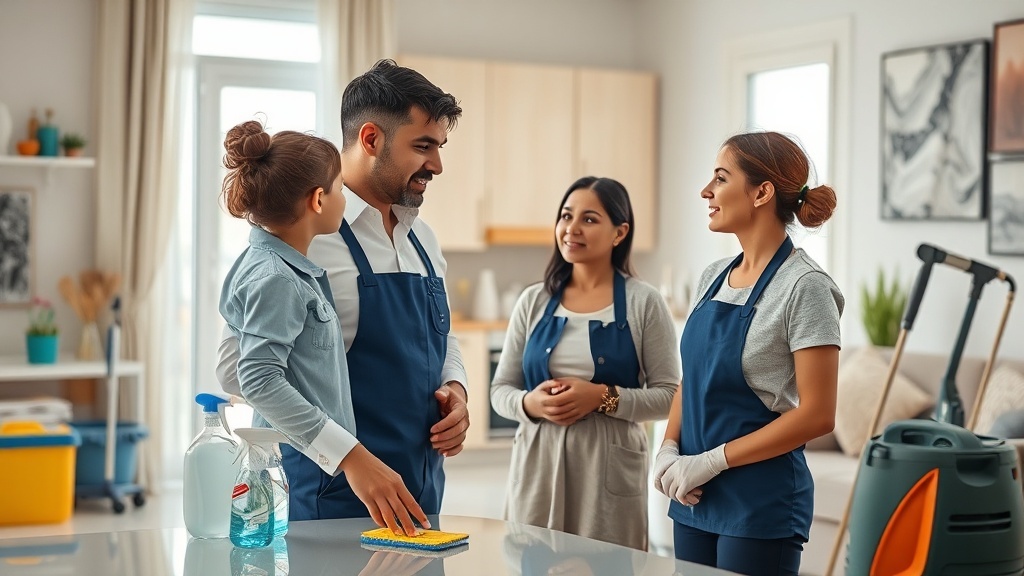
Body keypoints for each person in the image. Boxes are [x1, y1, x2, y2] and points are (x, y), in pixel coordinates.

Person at [217, 59, 469, 525]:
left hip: (417, 495)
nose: (436, 164)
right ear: (371, 139)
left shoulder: (424, 240)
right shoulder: (302, 242)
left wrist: (456, 388)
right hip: (327, 497)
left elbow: (441, 336)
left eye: (439, 146)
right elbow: (240, 372)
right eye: (423, 146)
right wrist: (346, 454)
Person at [653, 131, 844, 575]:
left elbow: (818, 415)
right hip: (694, 495)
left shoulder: (805, 288)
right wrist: (668, 447)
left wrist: (712, 460)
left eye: (720, 178)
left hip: (759, 503)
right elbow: (692, 378)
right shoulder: (713, 276)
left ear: (762, 192)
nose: (706, 191)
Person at [490, 176, 680, 551]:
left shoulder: (645, 303)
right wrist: (531, 403)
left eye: (589, 219)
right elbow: (500, 391)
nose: (571, 229)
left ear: (619, 232)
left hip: (608, 464)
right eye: (566, 216)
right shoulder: (533, 300)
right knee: (532, 562)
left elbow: (670, 396)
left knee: (606, 564)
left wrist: (602, 397)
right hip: (537, 461)